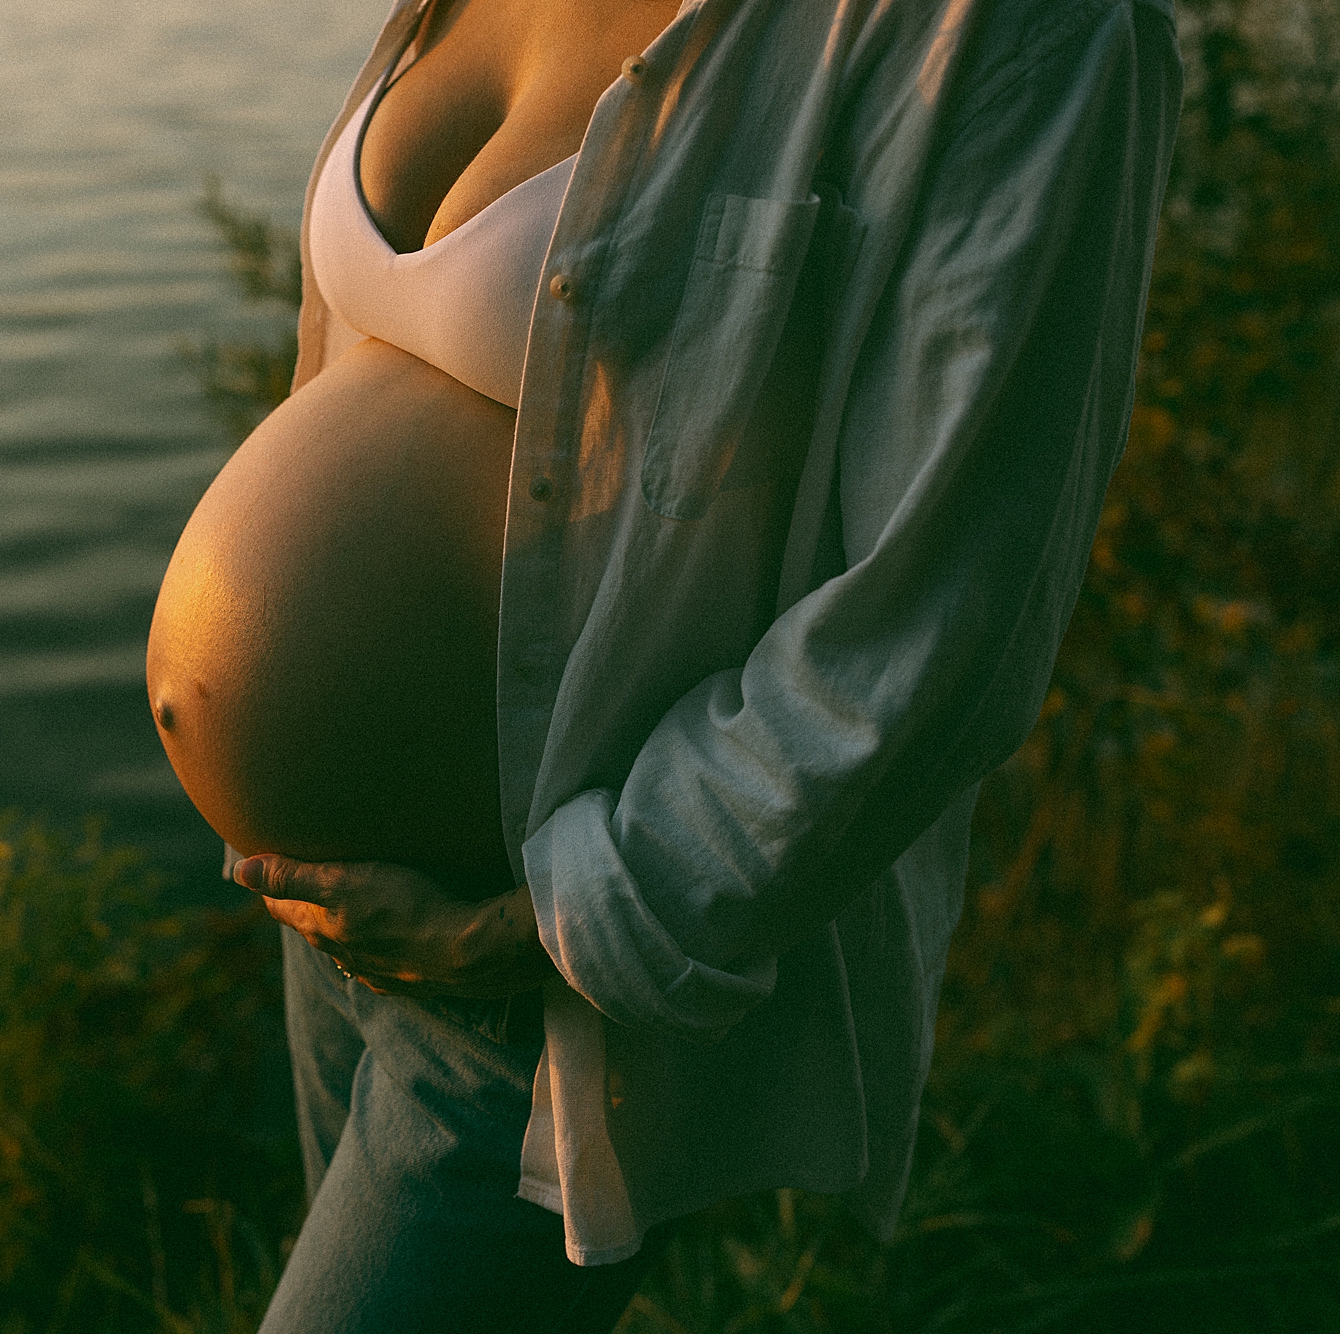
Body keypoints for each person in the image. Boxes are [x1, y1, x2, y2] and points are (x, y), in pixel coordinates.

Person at [146, 0, 1183, 1328]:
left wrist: (568, 922)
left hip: (528, 992)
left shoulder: (1012, 29)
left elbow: (938, 628)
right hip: (339, 931)